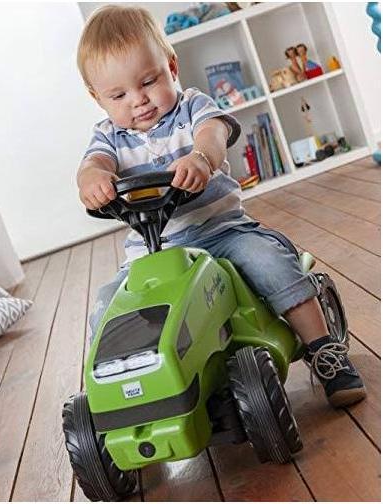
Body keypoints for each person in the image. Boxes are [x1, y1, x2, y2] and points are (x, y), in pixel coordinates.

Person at [76, 5, 366, 408]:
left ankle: (324, 351)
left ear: (171, 67)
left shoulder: (192, 107)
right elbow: (94, 165)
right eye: (119, 95)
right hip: (151, 255)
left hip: (220, 232)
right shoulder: (108, 137)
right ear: (98, 98)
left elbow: (212, 134)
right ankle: (118, 394)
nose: (139, 100)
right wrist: (91, 179)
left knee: (268, 261)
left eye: (148, 81)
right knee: (107, 305)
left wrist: (201, 157)